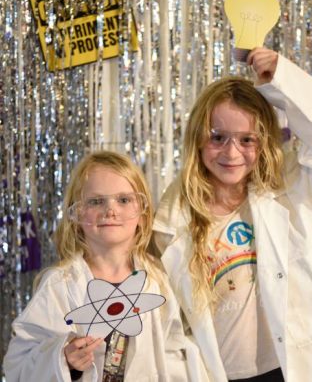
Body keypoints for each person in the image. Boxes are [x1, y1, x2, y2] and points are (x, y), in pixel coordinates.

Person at [152, 48, 312, 382]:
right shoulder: (172, 219)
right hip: (221, 373)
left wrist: (284, 80)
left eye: (246, 139)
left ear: (264, 140)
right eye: (217, 137)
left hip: (303, 368)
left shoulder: (299, 194)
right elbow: (167, 326)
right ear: (197, 139)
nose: (231, 152)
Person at [4, 151, 209, 382]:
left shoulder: (157, 281)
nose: (110, 210)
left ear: (142, 213)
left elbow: (173, 353)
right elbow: (18, 363)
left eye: (123, 200)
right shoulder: (59, 285)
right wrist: (64, 359)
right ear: (76, 214)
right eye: (96, 201)